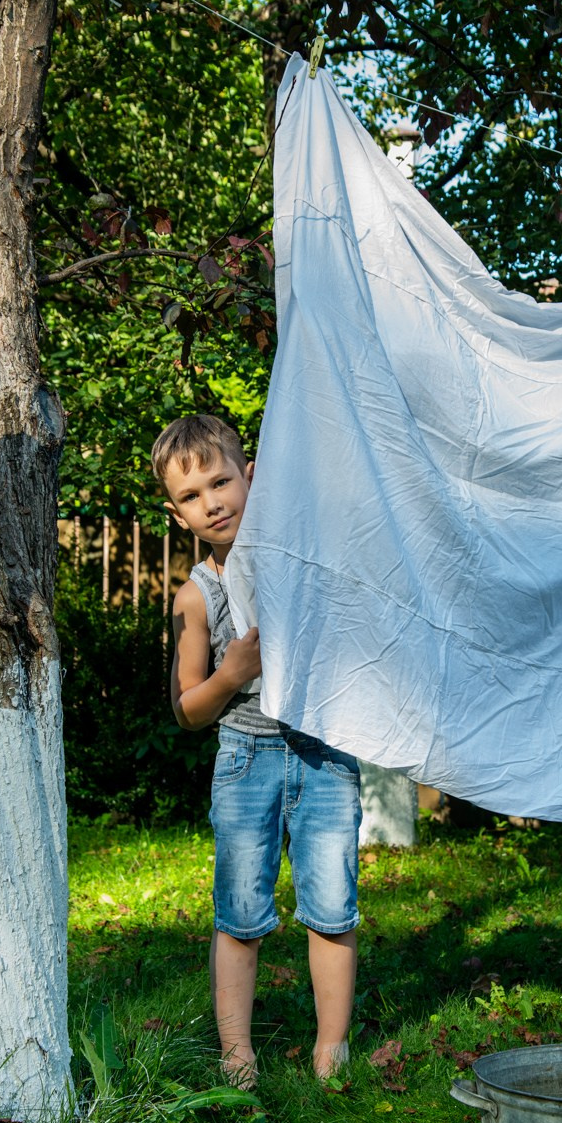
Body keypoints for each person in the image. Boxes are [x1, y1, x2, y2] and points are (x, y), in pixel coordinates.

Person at [152, 414, 361, 1087]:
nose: (212, 502)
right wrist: (232, 674)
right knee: (240, 911)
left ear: (252, 475)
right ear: (176, 511)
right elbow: (186, 709)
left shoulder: (304, 559)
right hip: (245, 758)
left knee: (330, 906)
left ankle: (332, 1048)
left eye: (221, 481)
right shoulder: (197, 596)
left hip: (323, 754)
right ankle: (236, 1051)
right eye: (191, 495)